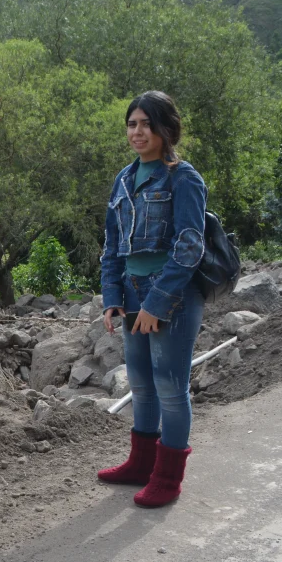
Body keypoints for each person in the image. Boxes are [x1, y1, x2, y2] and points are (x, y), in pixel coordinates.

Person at [96, 91, 207, 508]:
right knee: (141, 383)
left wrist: (156, 303)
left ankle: (167, 477)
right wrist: (112, 297)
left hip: (171, 295)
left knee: (170, 387)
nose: (137, 132)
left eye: (146, 124)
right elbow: (112, 244)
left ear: (165, 129)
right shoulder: (124, 179)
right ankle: (141, 465)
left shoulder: (184, 177)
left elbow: (189, 247)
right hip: (131, 290)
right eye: (132, 124)